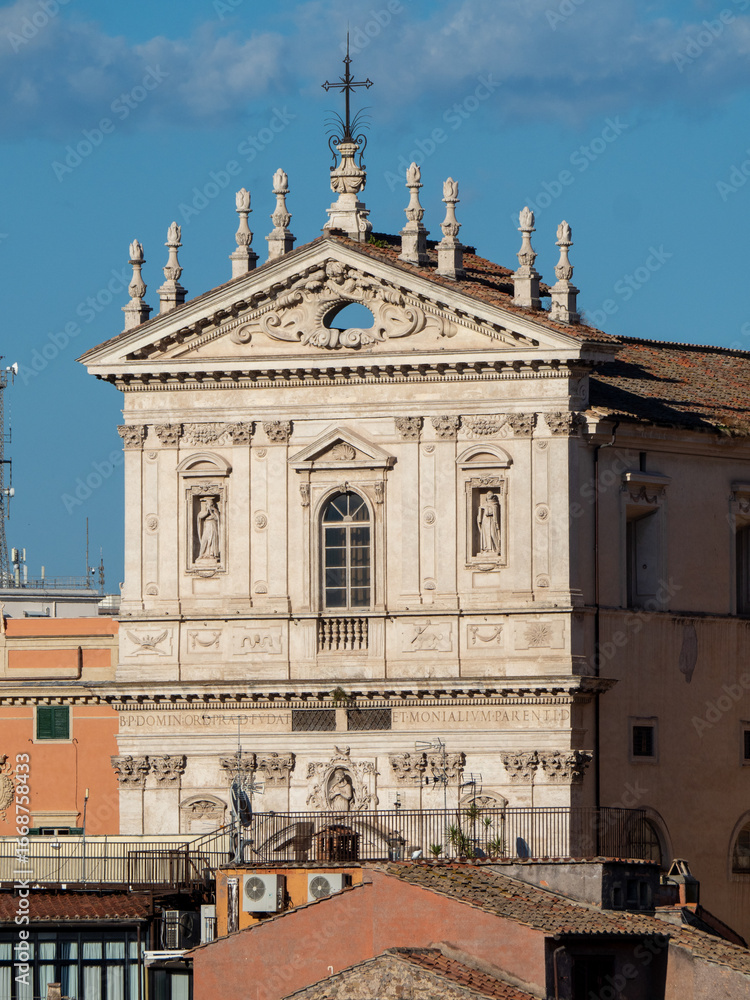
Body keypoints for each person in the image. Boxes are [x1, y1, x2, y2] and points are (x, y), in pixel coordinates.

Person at [197, 497, 221, 562]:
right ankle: (202, 554)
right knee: (204, 540)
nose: (209, 505)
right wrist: (207, 512)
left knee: (212, 540)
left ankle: (212, 554)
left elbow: (217, 518)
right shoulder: (203, 512)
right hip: (206, 528)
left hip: (213, 527)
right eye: (208, 504)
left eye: (211, 504)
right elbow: (200, 517)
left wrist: (213, 512)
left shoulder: (215, 511)